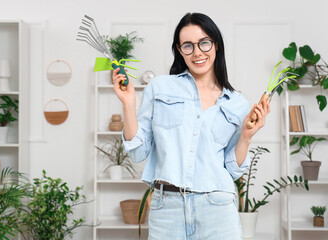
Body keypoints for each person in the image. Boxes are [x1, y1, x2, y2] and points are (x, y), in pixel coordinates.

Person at [112, 12, 270, 240]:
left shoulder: (237, 103)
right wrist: (128, 104)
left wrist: (246, 136)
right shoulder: (160, 88)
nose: (197, 52)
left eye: (204, 43)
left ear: (216, 45)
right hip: (167, 209)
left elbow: (232, 169)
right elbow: (138, 152)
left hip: (218, 208)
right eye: (188, 45)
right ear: (179, 50)